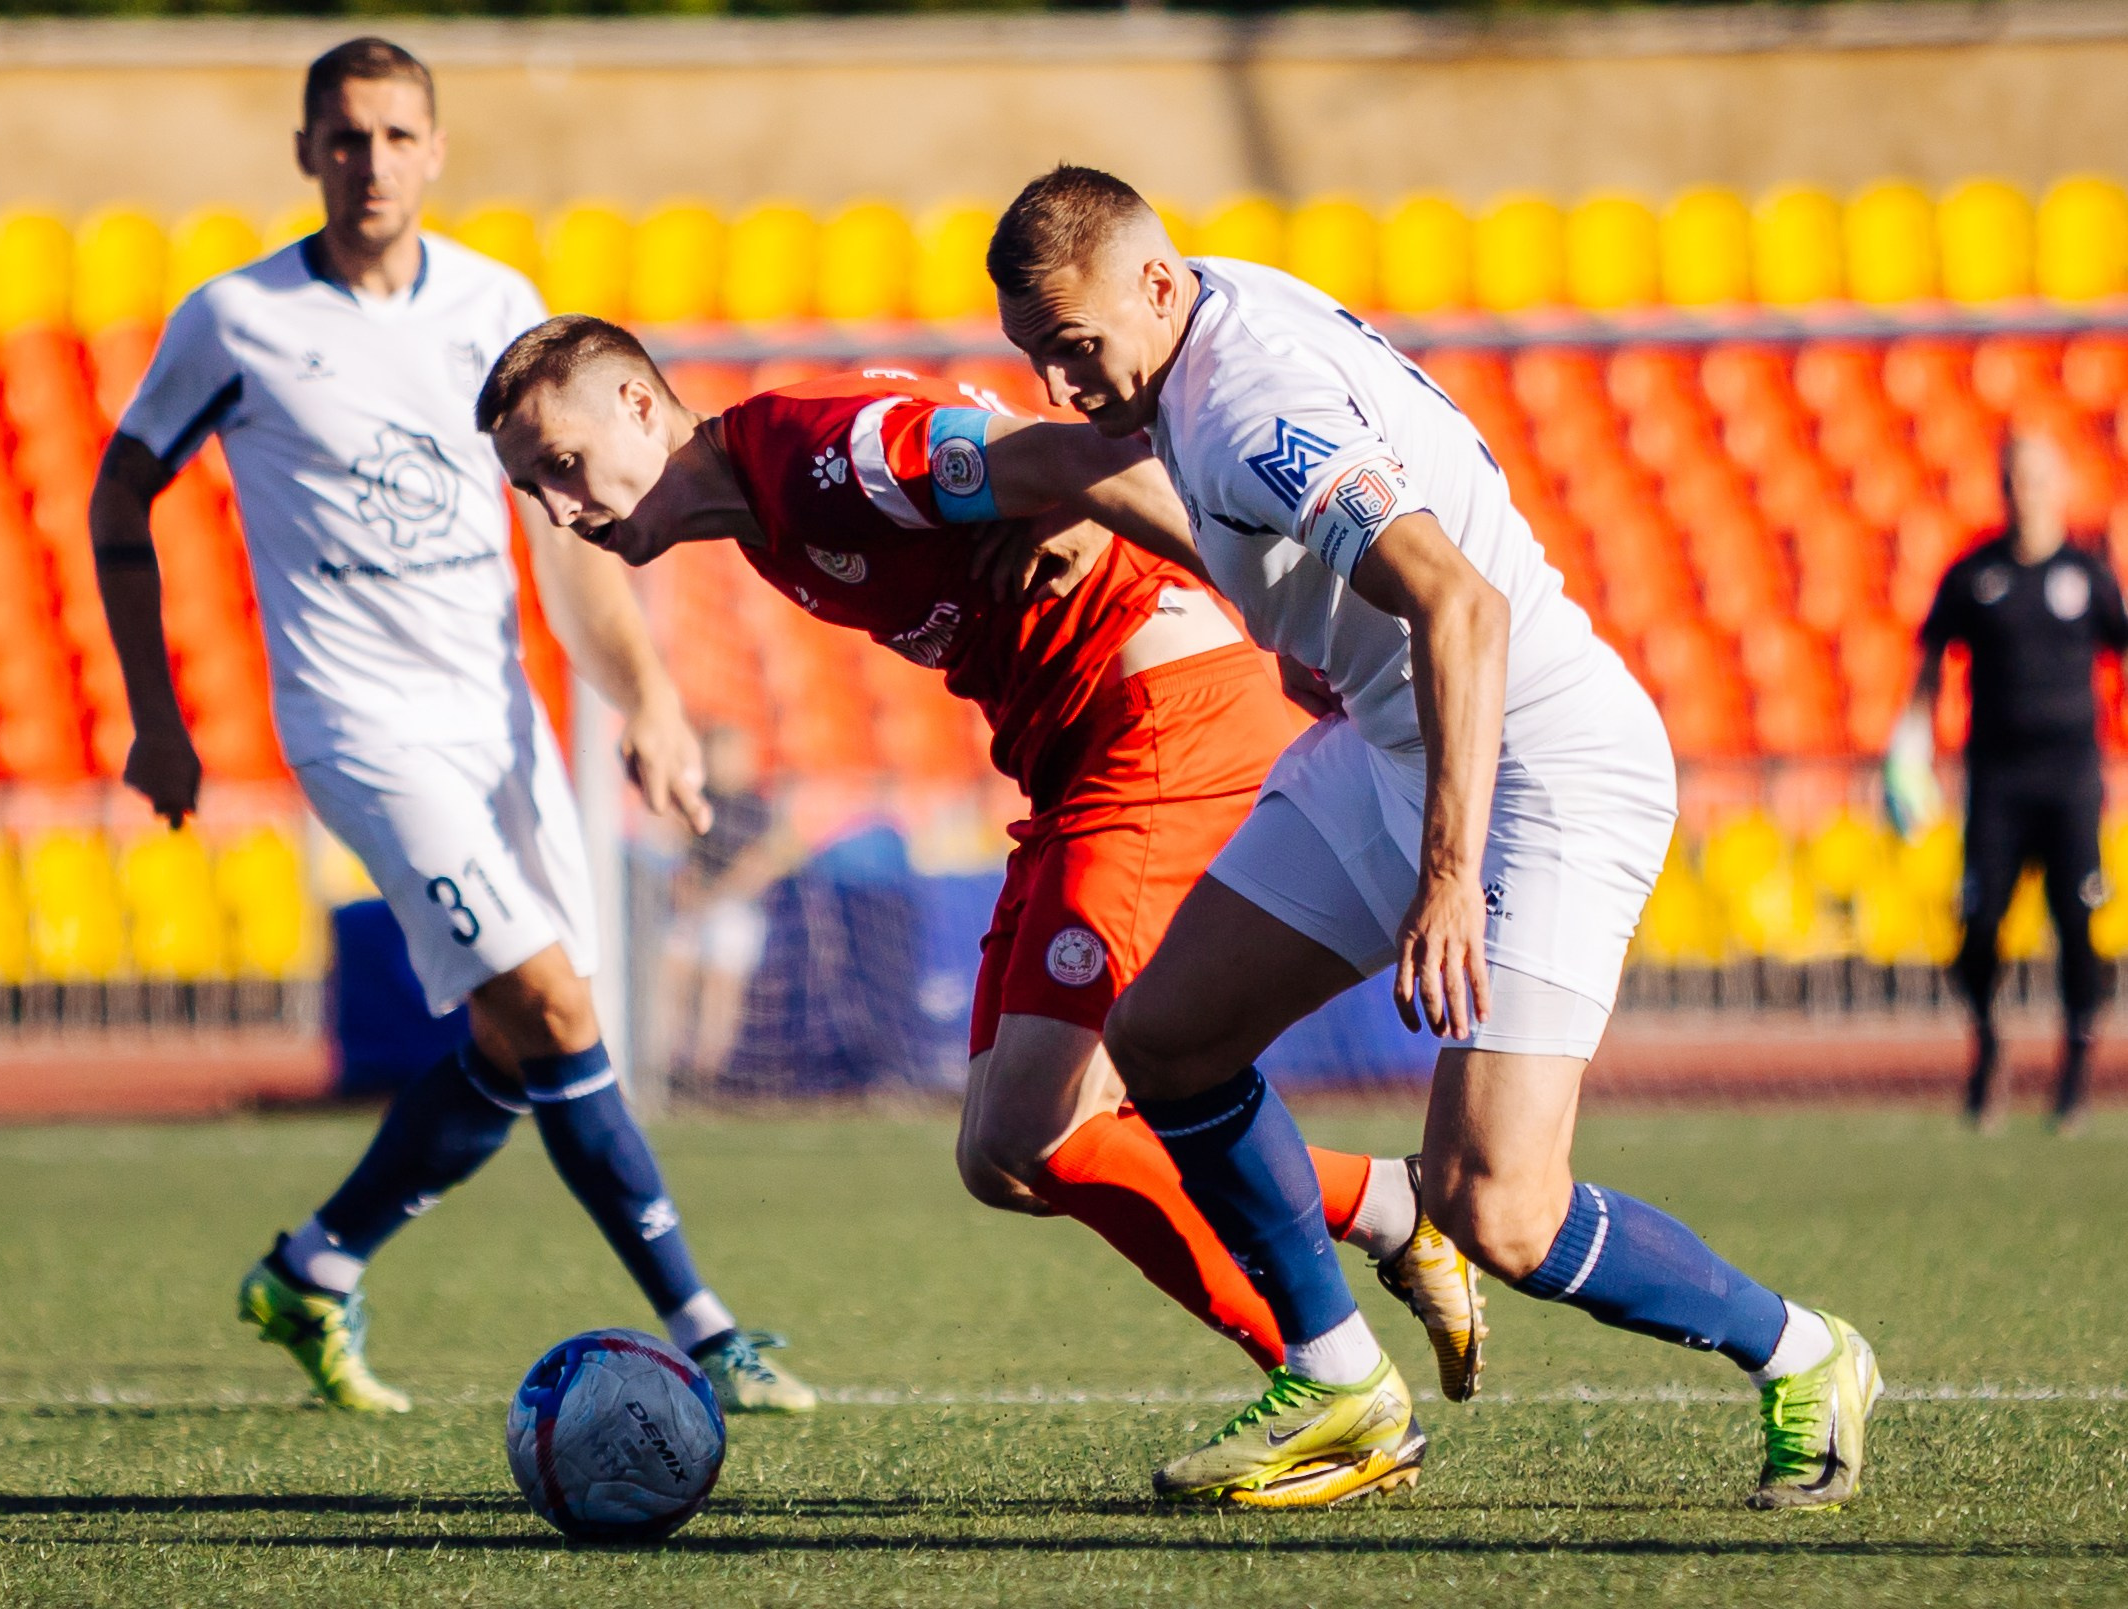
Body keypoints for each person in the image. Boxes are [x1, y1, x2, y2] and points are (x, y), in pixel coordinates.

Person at [985, 165, 1878, 1510]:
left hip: (1540, 763)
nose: (1062, 384)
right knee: (1164, 1040)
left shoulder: (1240, 399)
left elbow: (1457, 603)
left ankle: (1805, 1353)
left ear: (1157, 286)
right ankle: (1339, 1382)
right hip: (1398, 733)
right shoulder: (1207, 323)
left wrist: (1449, 878)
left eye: (1073, 349)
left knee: (1498, 1206)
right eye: (1035, 359)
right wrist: (1303, 632)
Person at [470, 314, 1489, 1404]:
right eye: (536, 490)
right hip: (1073, 763)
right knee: (1001, 1156)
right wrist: (1043, 497)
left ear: (636, 404)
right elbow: (1021, 464)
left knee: (1048, 1125)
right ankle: (1390, 1206)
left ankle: (1327, 1383)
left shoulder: (820, 454)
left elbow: (1095, 452)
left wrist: (1288, 631)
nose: (562, 510)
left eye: (565, 468)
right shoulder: (766, 508)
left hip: (1158, 719)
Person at [88, 38, 812, 1415]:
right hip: (359, 726)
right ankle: (711, 1330)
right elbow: (120, 496)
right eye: (345, 138)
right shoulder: (234, 321)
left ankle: (314, 1267)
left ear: (434, 149)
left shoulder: (497, 306)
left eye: (396, 135)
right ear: (307, 151)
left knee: (526, 1032)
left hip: (499, 719)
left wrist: (647, 699)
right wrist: (153, 715)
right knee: (546, 1001)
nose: (370, 161)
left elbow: (575, 540)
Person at [1890, 432, 2125, 1133]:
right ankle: (1990, 1042)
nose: (2028, 492)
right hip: (1996, 781)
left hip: (2071, 779)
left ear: (2058, 485)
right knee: (1980, 920)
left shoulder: (2088, 574)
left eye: (2039, 477)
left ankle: (2076, 1069)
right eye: (2016, 478)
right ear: (2003, 486)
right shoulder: (1974, 576)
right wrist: (1909, 748)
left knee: (2077, 923)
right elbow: (1930, 668)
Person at [653, 725, 792, 1087]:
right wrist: (687, 889)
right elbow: (678, 851)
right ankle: (670, 1065)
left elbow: (762, 864)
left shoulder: (757, 807)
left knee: (721, 984)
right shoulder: (697, 799)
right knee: (675, 974)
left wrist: (713, 897)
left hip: (735, 907)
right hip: (694, 906)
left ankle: (706, 1072)